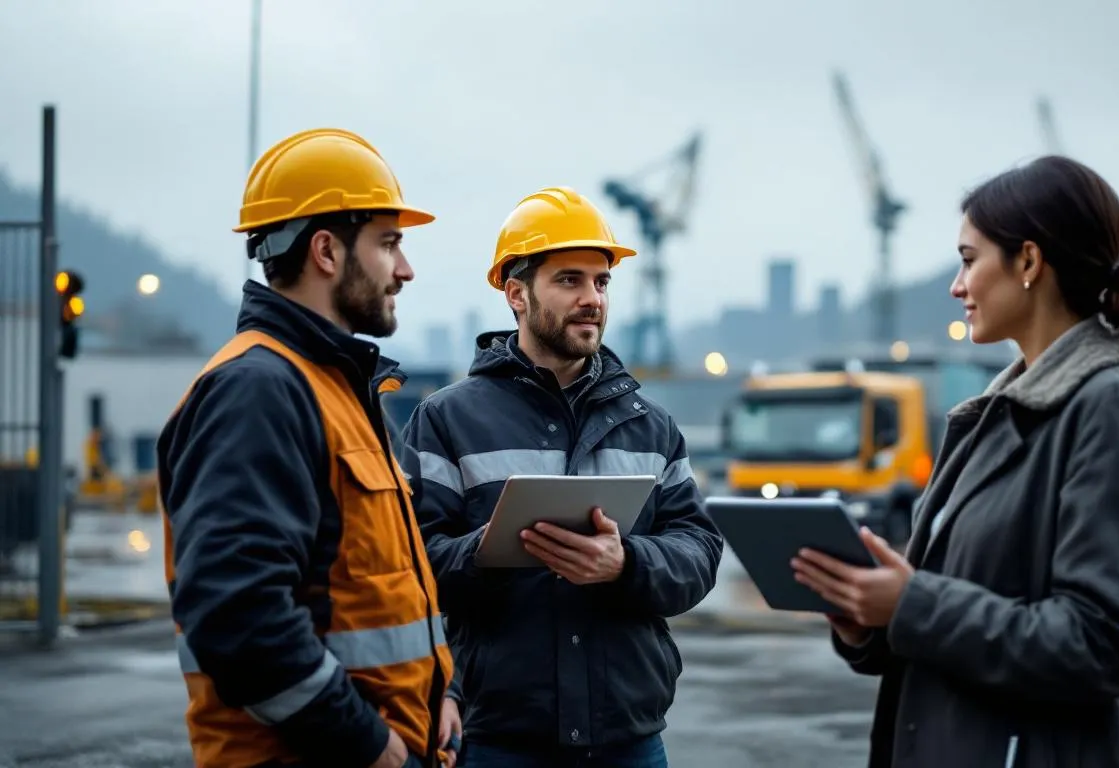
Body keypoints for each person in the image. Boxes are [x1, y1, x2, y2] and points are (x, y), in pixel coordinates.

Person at [791, 155, 1119, 768]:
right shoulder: (993, 417)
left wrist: (911, 602)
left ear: (1028, 262)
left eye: (970, 259)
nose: (957, 286)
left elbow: (1100, 646)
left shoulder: (1111, 412)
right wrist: (866, 621)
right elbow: (952, 619)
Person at [157, 128, 458, 768]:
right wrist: (369, 745)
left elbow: (379, 589)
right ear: (325, 250)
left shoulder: (335, 388)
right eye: (389, 242)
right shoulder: (258, 390)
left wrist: (440, 695)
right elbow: (238, 616)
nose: (405, 269)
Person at [397, 186, 724, 767]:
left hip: (630, 740)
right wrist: (489, 551)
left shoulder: (652, 427)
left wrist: (626, 564)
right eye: (569, 280)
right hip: (500, 740)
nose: (592, 299)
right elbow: (411, 565)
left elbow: (698, 552)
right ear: (517, 295)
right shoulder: (447, 420)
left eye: (601, 282)